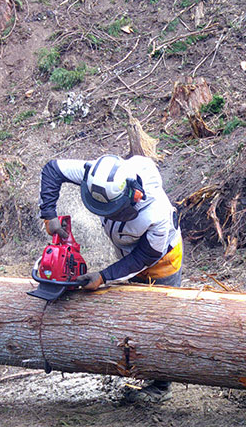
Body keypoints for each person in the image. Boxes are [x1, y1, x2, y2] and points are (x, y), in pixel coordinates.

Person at [38, 154, 182, 403]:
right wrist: (49, 214)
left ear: (131, 197)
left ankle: (161, 386)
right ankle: (134, 364)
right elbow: (53, 170)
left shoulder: (156, 214)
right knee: (131, 313)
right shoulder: (95, 174)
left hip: (160, 260)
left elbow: (143, 257)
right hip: (128, 250)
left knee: (160, 320)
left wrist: (105, 276)